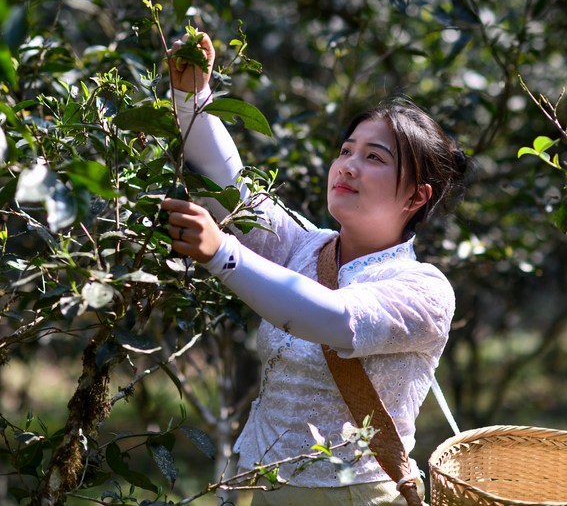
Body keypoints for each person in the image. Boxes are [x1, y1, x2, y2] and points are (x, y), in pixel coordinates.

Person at [160, 31, 468, 506]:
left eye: (373, 158)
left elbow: (335, 319)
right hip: (255, 483)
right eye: (346, 151)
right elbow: (233, 189)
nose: (347, 166)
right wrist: (192, 97)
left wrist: (224, 253)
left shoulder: (424, 289)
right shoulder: (304, 246)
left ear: (416, 196)